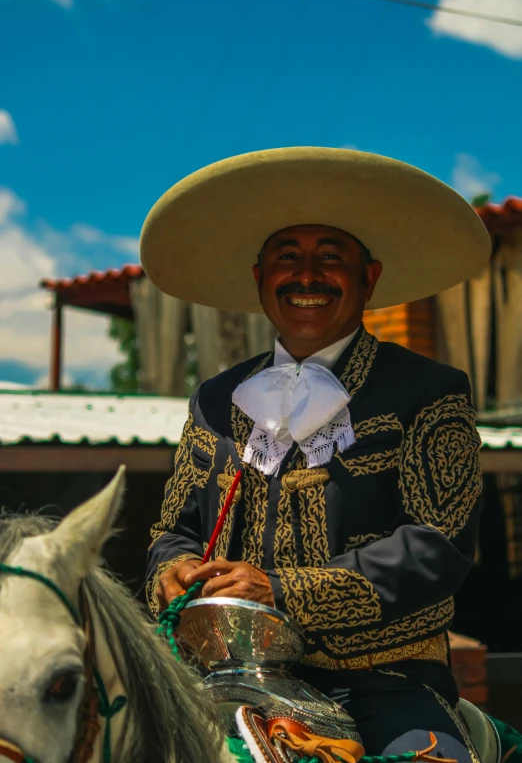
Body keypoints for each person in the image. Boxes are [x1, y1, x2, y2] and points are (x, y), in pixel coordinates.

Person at [141, 147, 491, 762]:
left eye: (330, 257)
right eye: (287, 258)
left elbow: (439, 544)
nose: (307, 275)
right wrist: (170, 571)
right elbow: (174, 531)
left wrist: (281, 589)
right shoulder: (216, 400)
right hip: (234, 676)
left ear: (369, 278)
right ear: (260, 279)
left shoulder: (428, 390)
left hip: (386, 682)